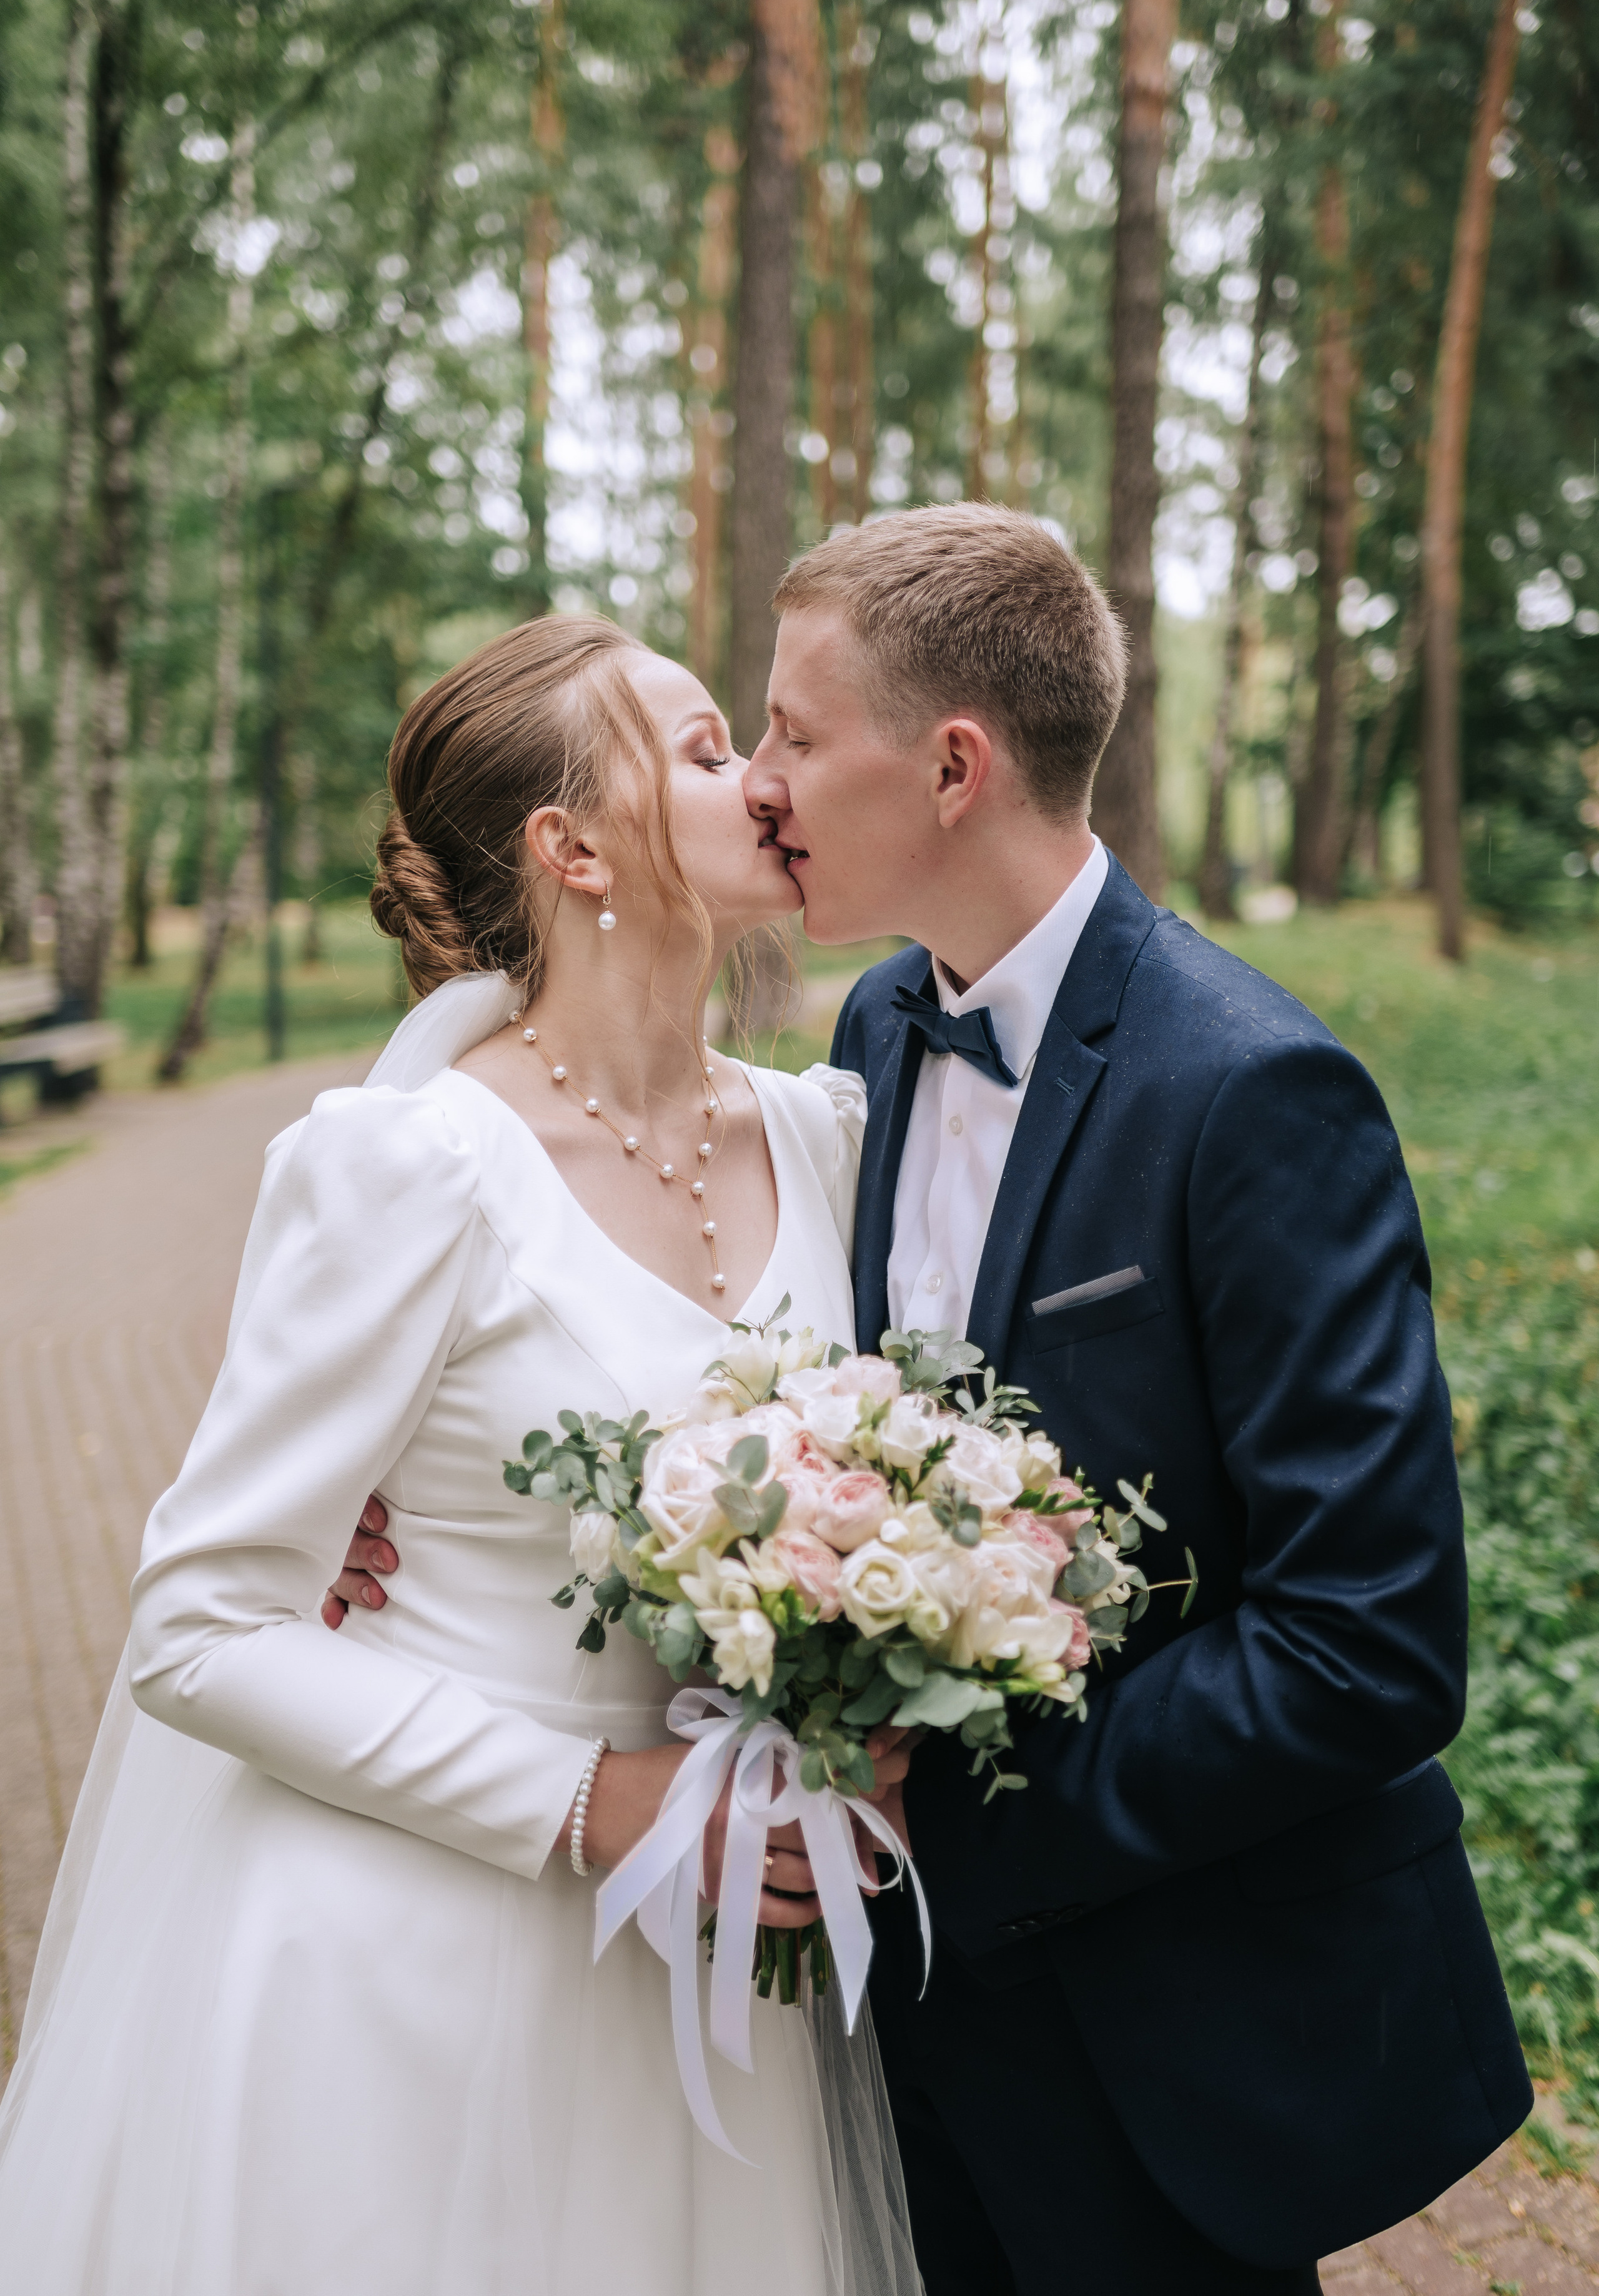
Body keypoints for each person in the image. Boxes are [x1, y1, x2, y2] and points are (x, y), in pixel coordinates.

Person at [0, 616, 918, 2296]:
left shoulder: (826, 1134)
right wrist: (599, 1801)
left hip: (711, 1988)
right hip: (414, 1970)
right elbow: (199, 1624)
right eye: (706, 750)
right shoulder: (411, 1167)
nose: (762, 782)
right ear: (574, 850)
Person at [736, 501, 1533, 2293]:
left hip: (1169, 2031)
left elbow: (1371, 1643)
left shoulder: (1256, 1092)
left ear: (953, 767)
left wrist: (957, 1816)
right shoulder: (875, 1032)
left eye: (794, 732)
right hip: (900, 2033)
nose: (763, 782)